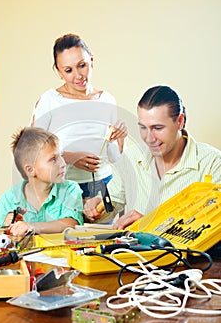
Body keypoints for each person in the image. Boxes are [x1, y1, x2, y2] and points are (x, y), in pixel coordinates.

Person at [84, 85, 221, 229]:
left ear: (180, 121)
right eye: (143, 127)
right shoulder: (131, 157)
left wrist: (152, 224)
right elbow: (110, 206)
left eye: (157, 128)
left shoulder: (212, 163)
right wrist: (96, 207)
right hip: (134, 251)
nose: (149, 138)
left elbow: (215, 227)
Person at [30, 33, 127, 200]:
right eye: (68, 70)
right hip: (63, 186)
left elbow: (113, 157)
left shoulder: (107, 100)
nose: (78, 76)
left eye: (82, 65)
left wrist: (121, 138)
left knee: (100, 228)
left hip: (103, 185)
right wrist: (69, 157)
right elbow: (31, 151)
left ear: (91, 60)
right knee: (65, 227)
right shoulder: (50, 100)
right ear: (59, 72)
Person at [0, 127, 84, 237]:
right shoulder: (9, 199)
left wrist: (31, 226)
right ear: (31, 170)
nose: (62, 163)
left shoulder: (70, 189)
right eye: (53, 159)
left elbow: (72, 224)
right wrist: (7, 226)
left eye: (61, 156)